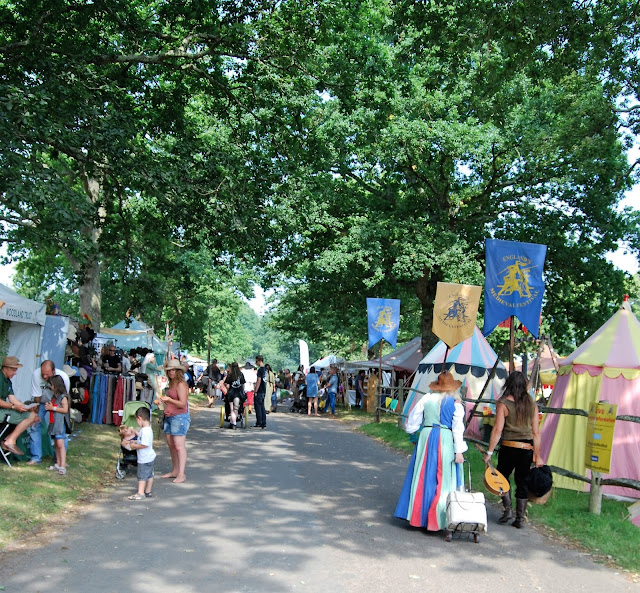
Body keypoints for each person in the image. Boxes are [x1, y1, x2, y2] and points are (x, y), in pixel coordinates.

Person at [394, 371, 468, 531]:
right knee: (443, 478)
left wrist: (414, 433)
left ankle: (418, 516)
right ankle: (438, 519)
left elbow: (412, 421)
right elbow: (457, 429)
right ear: (452, 388)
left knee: (423, 474)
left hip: (427, 437)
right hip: (445, 439)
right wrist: (459, 451)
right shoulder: (455, 404)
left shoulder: (427, 398)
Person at [483, 370, 542, 528]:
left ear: (508, 384)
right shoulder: (532, 404)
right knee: (522, 481)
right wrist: (538, 455)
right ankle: (520, 518)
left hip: (509, 447)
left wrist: (489, 452)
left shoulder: (503, 403)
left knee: (502, 477)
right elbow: (536, 432)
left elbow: (497, 430)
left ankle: (508, 510)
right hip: (527, 448)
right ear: (524, 385)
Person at [27, 360, 71, 465]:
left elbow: (64, 399)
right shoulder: (36, 375)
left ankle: (59, 459)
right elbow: (37, 396)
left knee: (59, 431)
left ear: (54, 371)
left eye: (47, 374)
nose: (44, 376)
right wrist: (37, 413)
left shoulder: (63, 377)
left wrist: (55, 409)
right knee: (34, 424)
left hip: (57, 403)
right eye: (43, 373)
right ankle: (36, 457)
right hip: (42, 402)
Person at [157, 359, 190, 483]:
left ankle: (181, 473)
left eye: (173, 370)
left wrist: (169, 400)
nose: (171, 372)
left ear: (178, 371)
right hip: (169, 416)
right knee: (171, 445)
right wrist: (163, 400)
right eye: (169, 370)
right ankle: (175, 470)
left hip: (179, 417)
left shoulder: (181, 384)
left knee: (179, 445)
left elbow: (182, 404)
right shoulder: (171, 383)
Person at [0, 356, 39, 457]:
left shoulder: (7, 381)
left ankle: (9, 440)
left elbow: (13, 399)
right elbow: (11, 403)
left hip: (3, 410)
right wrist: (13, 407)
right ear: (5, 368)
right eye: (13, 370)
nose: (15, 373)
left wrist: (26, 407)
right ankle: (9, 441)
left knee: (32, 414)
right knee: (30, 416)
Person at [124, 406, 156, 500]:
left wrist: (134, 446)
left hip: (144, 458)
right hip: (150, 457)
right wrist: (136, 442)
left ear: (140, 418)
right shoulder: (147, 429)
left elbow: (144, 445)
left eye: (136, 420)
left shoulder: (145, 431)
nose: (137, 423)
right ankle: (148, 491)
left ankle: (140, 493)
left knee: (142, 476)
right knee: (150, 474)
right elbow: (142, 441)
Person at [45, 374, 71, 475]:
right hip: (54, 423)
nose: (50, 387)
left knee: (60, 444)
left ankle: (63, 465)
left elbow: (65, 410)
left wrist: (53, 408)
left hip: (60, 423)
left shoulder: (63, 397)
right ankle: (58, 463)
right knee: (56, 443)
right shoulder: (54, 396)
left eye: (51, 385)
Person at [224, 362, 246, 429]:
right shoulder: (241, 374)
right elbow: (243, 385)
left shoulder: (230, 375)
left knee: (231, 409)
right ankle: (234, 423)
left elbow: (227, 385)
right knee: (236, 409)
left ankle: (233, 423)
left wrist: (229, 388)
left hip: (231, 393)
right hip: (239, 393)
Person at [253, 355, 267, 429]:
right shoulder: (265, 369)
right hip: (264, 390)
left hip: (260, 390)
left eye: (256, 361)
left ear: (259, 361)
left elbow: (258, 381)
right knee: (262, 407)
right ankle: (263, 422)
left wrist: (255, 390)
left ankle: (259, 422)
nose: (256, 363)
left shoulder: (260, 370)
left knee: (258, 406)